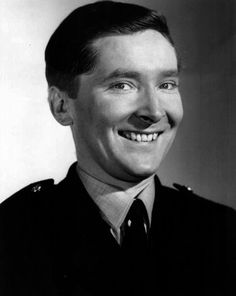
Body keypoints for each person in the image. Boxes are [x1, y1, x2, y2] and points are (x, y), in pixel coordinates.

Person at [0, 1, 236, 295]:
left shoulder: (224, 232)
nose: (153, 111)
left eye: (166, 84)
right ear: (61, 106)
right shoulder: (10, 238)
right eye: (123, 85)